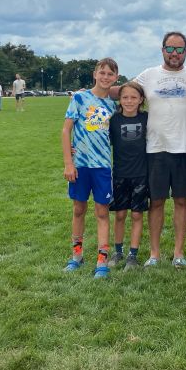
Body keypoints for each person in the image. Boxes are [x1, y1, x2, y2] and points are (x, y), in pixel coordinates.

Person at [135, 32, 186, 268]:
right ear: (162, 49)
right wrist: (92, 91)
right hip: (155, 148)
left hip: (185, 148)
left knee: (182, 201)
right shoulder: (148, 75)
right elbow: (124, 91)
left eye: (179, 49)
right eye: (170, 49)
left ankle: (178, 252)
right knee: (156, 201)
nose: (174, 54)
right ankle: (154, 253)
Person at [61, 58, 118, 278]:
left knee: (102, 212)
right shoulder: (79, 98)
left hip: (102, 166)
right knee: (78, 209)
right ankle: (77, 256)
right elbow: (66, 131)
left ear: (115, 78)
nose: (105, 77)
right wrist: (68, 162)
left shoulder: (114, 105)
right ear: (95, 74)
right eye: (102, 73)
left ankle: (102, 261)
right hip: (80, 166)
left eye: (110, 74)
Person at [108, 81, 149, 270]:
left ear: (141, 99)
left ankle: (133, 255)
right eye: (125, 97)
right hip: (119, 175)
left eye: (133, 97)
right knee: (120, 215)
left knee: (137, 215)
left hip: (141, 175)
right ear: (120, 99)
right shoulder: (114, 120)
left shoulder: (147, 118)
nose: (129, 101)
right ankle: (117, 251)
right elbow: (100, 140)